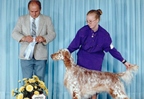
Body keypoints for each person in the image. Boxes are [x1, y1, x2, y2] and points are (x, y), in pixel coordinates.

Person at [67, 9, 131, 99]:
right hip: (82, 62)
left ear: (97, 20)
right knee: (80, 89)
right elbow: (73, 46)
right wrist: (64, 54)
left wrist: (124, 61)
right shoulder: (82, 31)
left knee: (94, 90)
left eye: (90, 21)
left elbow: (112, 50)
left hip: (95, 63)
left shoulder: (104, 35)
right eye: (87, 21)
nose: (88, 23)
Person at [12, 0, 56, 81]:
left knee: (40, 82)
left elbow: (52, 34)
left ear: (40, 9)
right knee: (26, 82)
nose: (34, 14)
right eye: (31, 11)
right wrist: (24, 38)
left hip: (41, 55)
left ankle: (40, 94)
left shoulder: (47, 19)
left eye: (36, 11)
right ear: (28, 9)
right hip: (25, 56)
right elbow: (14, 33)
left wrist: (44, 38)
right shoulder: (22, 19)